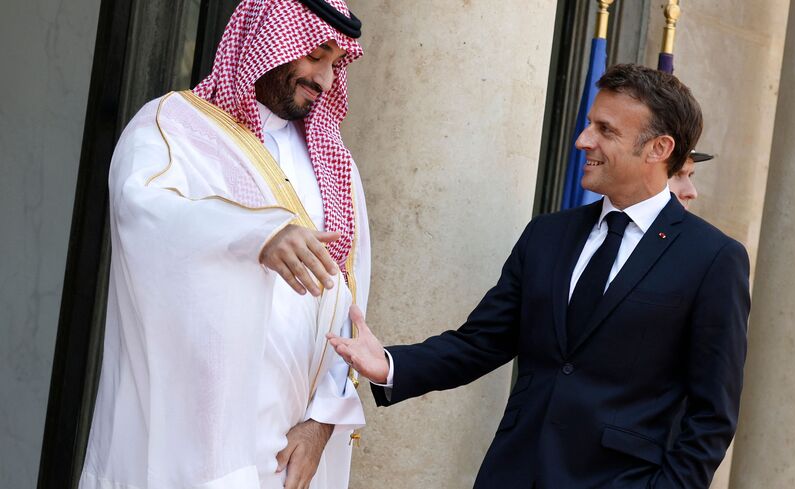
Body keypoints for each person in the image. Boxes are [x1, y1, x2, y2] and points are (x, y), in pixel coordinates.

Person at [330, 64, 750, 488]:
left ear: (658, 148)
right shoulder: (548, 235)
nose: (583, 140)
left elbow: (711, 418)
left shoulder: (713, 259)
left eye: (605, 130)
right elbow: (481, 342)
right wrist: (388, 364)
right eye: (589, 124)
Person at [80, 1, 371, 488]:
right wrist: (255, 234)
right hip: (193, 436)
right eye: (315, 54)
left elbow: (350, 306)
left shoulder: (336, 167)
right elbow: (142, 210)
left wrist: (323, 420)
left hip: (289, 449)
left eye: (335, 64)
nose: (323, 79)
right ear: (268, 35)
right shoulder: (174, 128)